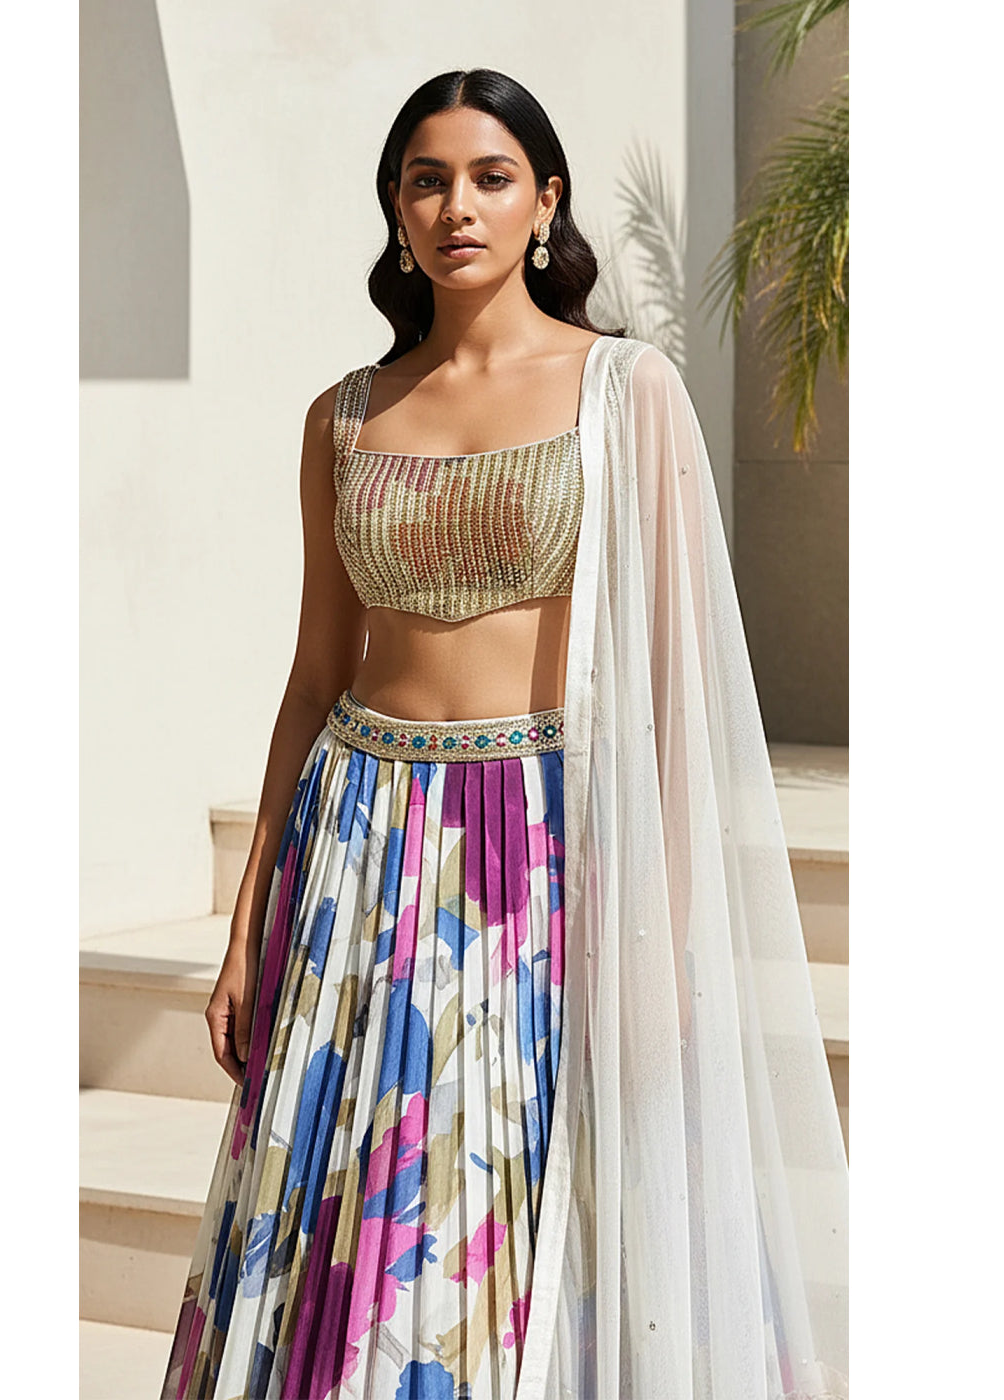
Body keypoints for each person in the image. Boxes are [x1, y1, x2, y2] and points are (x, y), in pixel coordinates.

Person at [160, 68, 848, 1400]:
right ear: (396, 210)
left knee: (515, 1191)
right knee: (356, 1197)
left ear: (546, 201)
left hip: (536, 846)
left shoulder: (626, 394)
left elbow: (676, 702)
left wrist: (666, 943)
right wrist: (250, 921)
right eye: (426, 181)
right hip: (359, 847)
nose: (457, 207)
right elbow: (314, 677)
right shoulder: (345, 416)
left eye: (490, 177)